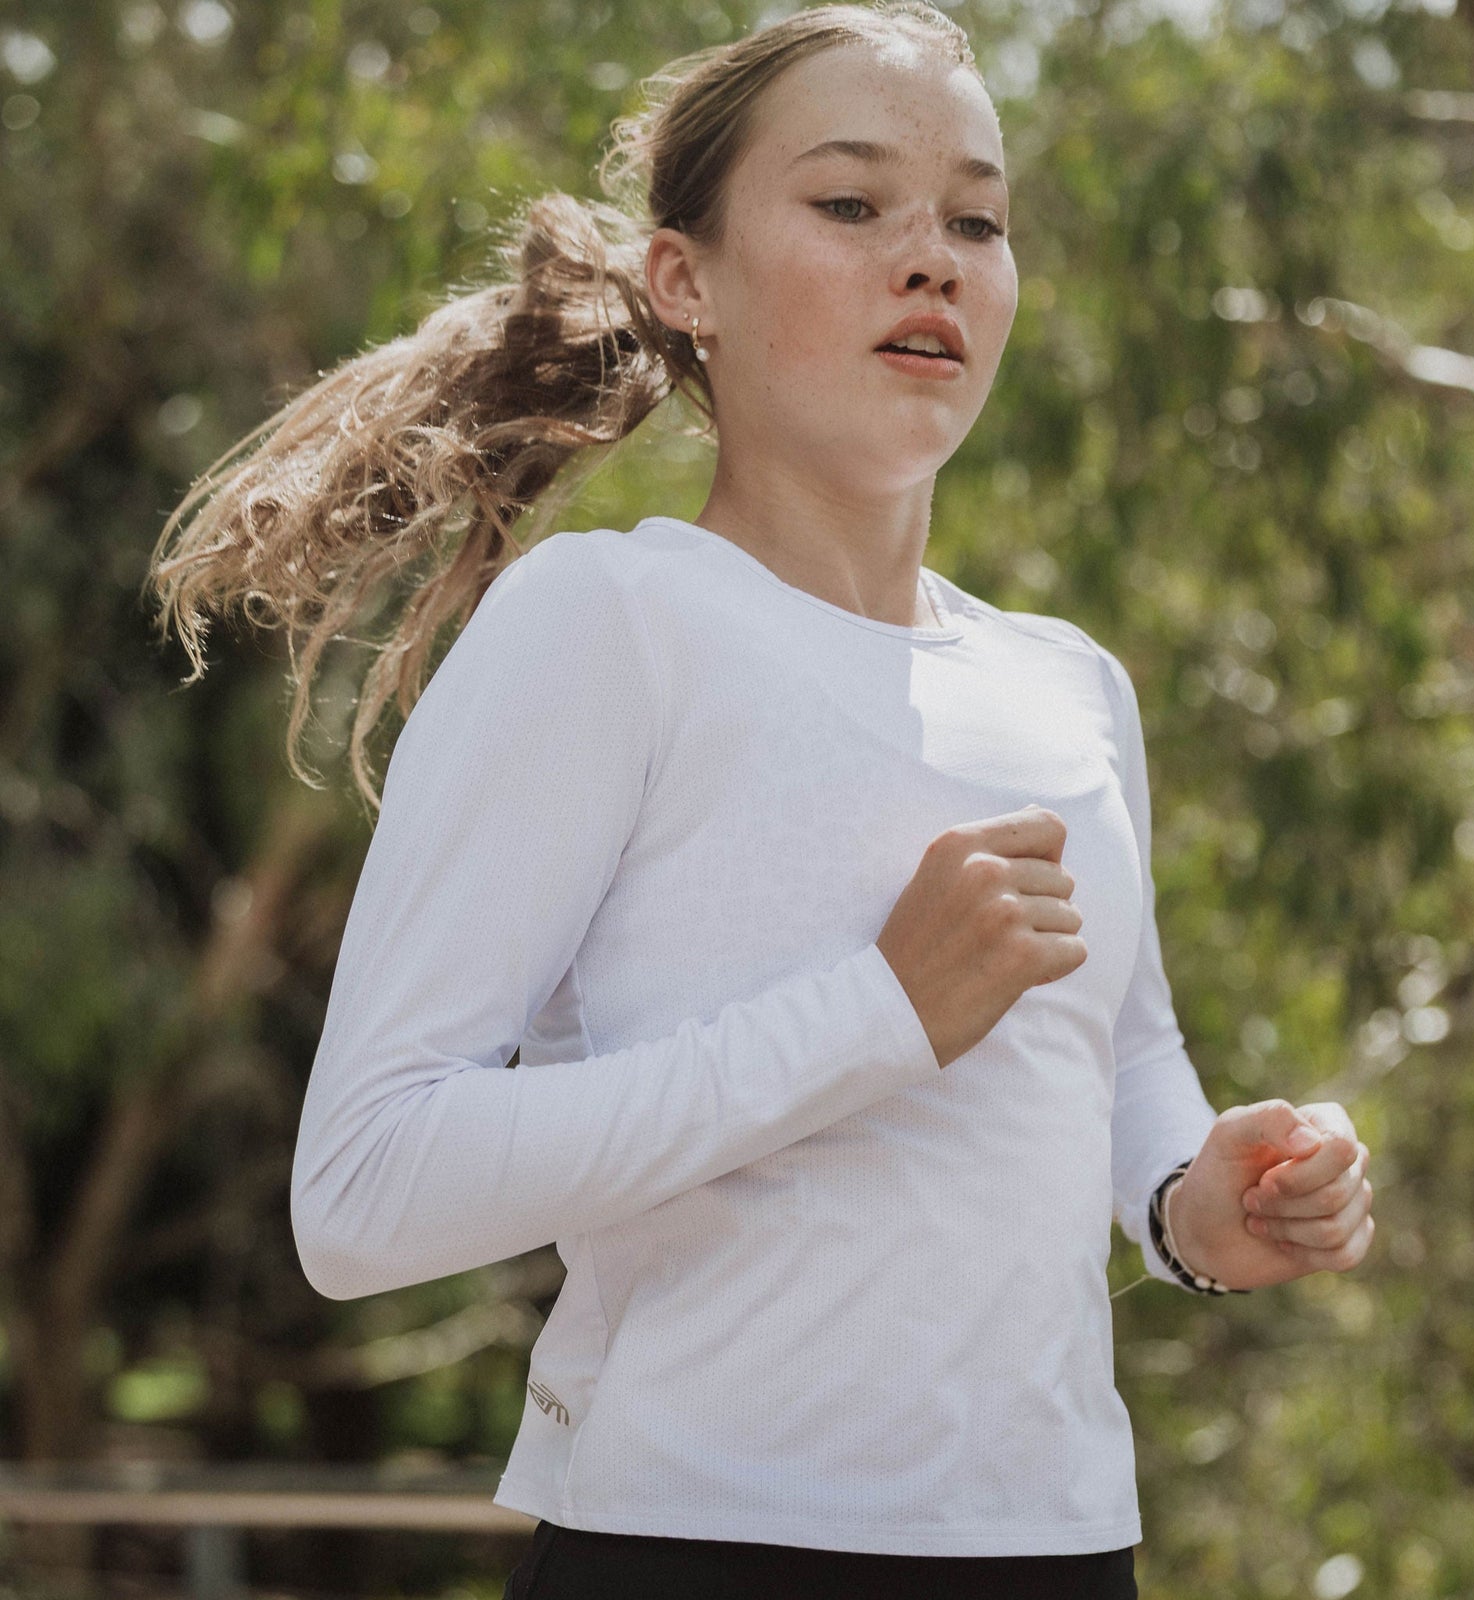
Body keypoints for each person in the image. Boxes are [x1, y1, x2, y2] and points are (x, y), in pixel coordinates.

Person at [143, 3, 1376, 1595]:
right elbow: (365, 1195)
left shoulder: (1073, 684)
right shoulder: (610, 624)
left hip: (1063, 1547)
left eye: (976, 218)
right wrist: (874, 1014)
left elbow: (1124, 1067)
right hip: (695, 1542)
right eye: (853, 204)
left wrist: (1198, 1201)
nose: (931, 258)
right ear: (687, 281)